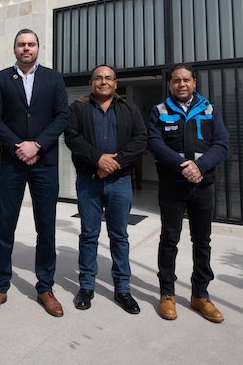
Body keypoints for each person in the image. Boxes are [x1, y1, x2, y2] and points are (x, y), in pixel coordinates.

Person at [0, 28, 69, 317]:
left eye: (31, 44)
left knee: (46, 228)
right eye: (21, 44)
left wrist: (38, 145)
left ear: (38, 48)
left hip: (44, 163)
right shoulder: (1, 79)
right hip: (12, 162)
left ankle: (45, 287)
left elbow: (62, 116)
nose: (26, 48)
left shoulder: (53, 79)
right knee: (4, 227)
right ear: (14, 48)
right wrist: (18, 146)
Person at [148, 63, 229, 323]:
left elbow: (222, 144)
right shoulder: (159, 111)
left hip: (203, 185)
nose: (181, 84)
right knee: (169, 240)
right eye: (176, 80)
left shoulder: (209, 109)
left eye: (186, 80)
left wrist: (199, 167)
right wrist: (184, 166)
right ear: (169, 84)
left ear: (194, 82)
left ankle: (200, 295)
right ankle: (167, 293)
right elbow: (155, 144)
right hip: (172, 185)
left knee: (202, 241)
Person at [64, 65, 147, 314]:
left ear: (115, 83)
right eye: (98, 78)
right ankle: (86, 287)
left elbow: (140, 140)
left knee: (119, 236)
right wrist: (97, 159)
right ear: (91, 83)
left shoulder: (129, 108)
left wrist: (114, 163)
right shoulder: (78, 108)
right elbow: (72, 138)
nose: (103, 82)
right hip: (88, 180)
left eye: (108, 78)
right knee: (89, 235)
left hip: (119, 182)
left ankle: (122, 289)